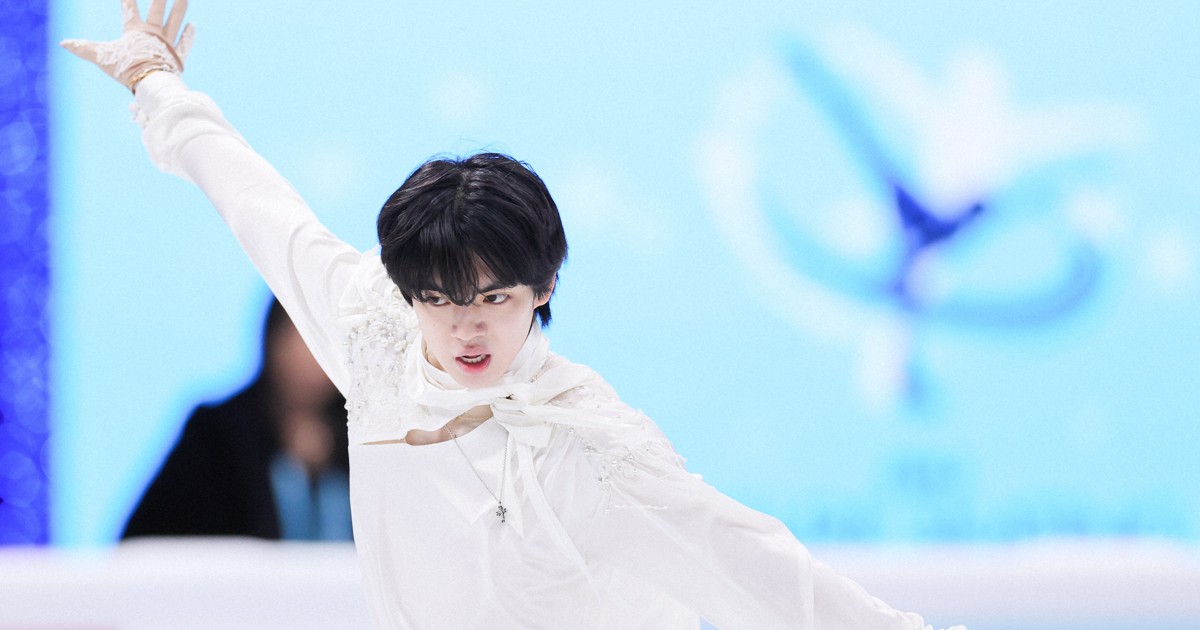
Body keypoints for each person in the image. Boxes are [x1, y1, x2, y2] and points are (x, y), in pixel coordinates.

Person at [63, 2, 966, 628]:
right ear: (409, 294)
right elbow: (259, 207)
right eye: (442, 301)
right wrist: (154, 82)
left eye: (494, 298)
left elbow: (753, 566)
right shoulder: (374, 333)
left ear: (543, 288)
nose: (467, 329)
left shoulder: (592, 445)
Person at [122, 298, 353, 541]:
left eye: (324, 344)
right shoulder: (217, 433)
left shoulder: (364, 436)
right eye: (301, 340)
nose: (309, 359)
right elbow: (147, 536)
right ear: (271, 339)